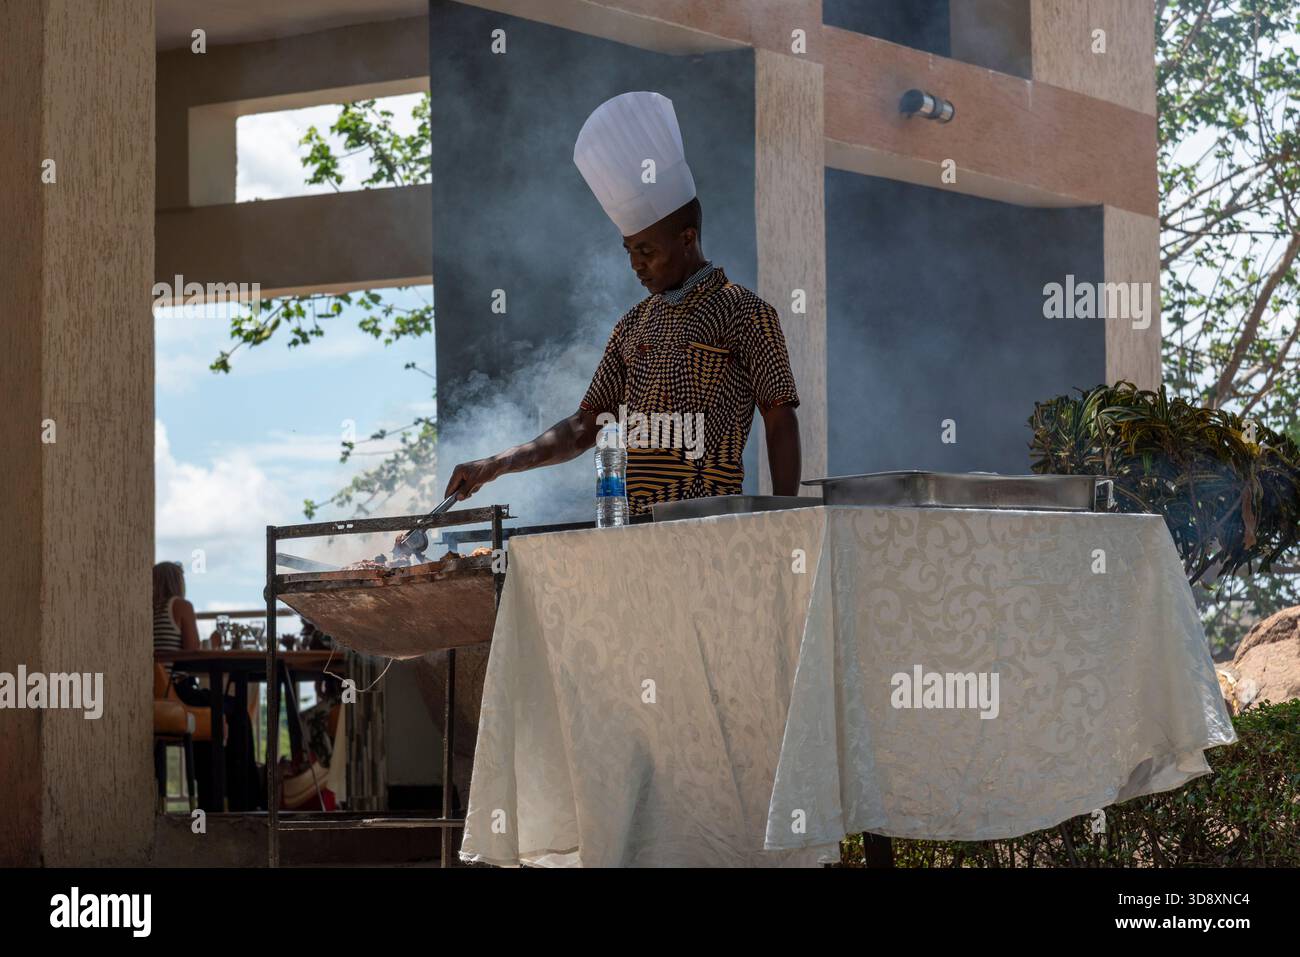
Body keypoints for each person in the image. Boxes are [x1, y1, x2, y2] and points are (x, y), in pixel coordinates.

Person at [441, 91, 802, 516]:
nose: (635, 264)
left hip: (715, 525)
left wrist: (788, 518)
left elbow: (779, 416)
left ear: (687, 239)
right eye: (628, 250)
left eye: (646, 251)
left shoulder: (744, 311)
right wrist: (497, 463)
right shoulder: (632, 325)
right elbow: (583, 428)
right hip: (634, 527)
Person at [152, 561, 263, 811]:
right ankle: (243, 801)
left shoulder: (147, 611)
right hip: (178, 690)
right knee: (237, 712)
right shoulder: (180, 606)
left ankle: (213, 801)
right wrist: (213, 643)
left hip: (158, 696)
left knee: (215, 713)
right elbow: (193, 655)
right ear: (177, 582)